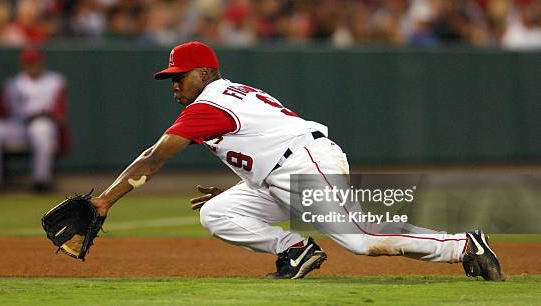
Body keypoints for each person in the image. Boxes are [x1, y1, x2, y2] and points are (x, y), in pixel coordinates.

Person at [88, 41, 502, 280]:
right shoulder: (231, 95)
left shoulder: (209, 104)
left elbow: (153, 158)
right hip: (278, 173)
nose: (174, 83)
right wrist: (243, 184)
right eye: (171, 77)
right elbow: (264, 143)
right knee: (217, 212)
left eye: (180, 75)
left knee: (363, 240)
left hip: (305, 164)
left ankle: (462, 245)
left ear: (205, 73)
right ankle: (297, 250)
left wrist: (103, 201)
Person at [0, 47, 69, 193]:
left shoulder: (55, 81)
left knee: (40, 129)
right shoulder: (12, 83)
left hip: (44, 125)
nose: (32, 65)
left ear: (41, 63)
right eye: (28, 62)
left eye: (34, 62)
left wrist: (45, 115)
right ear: (23, 64)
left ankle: (41, 181)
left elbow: (60, 112)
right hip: (18, 126)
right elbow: (1, 111)